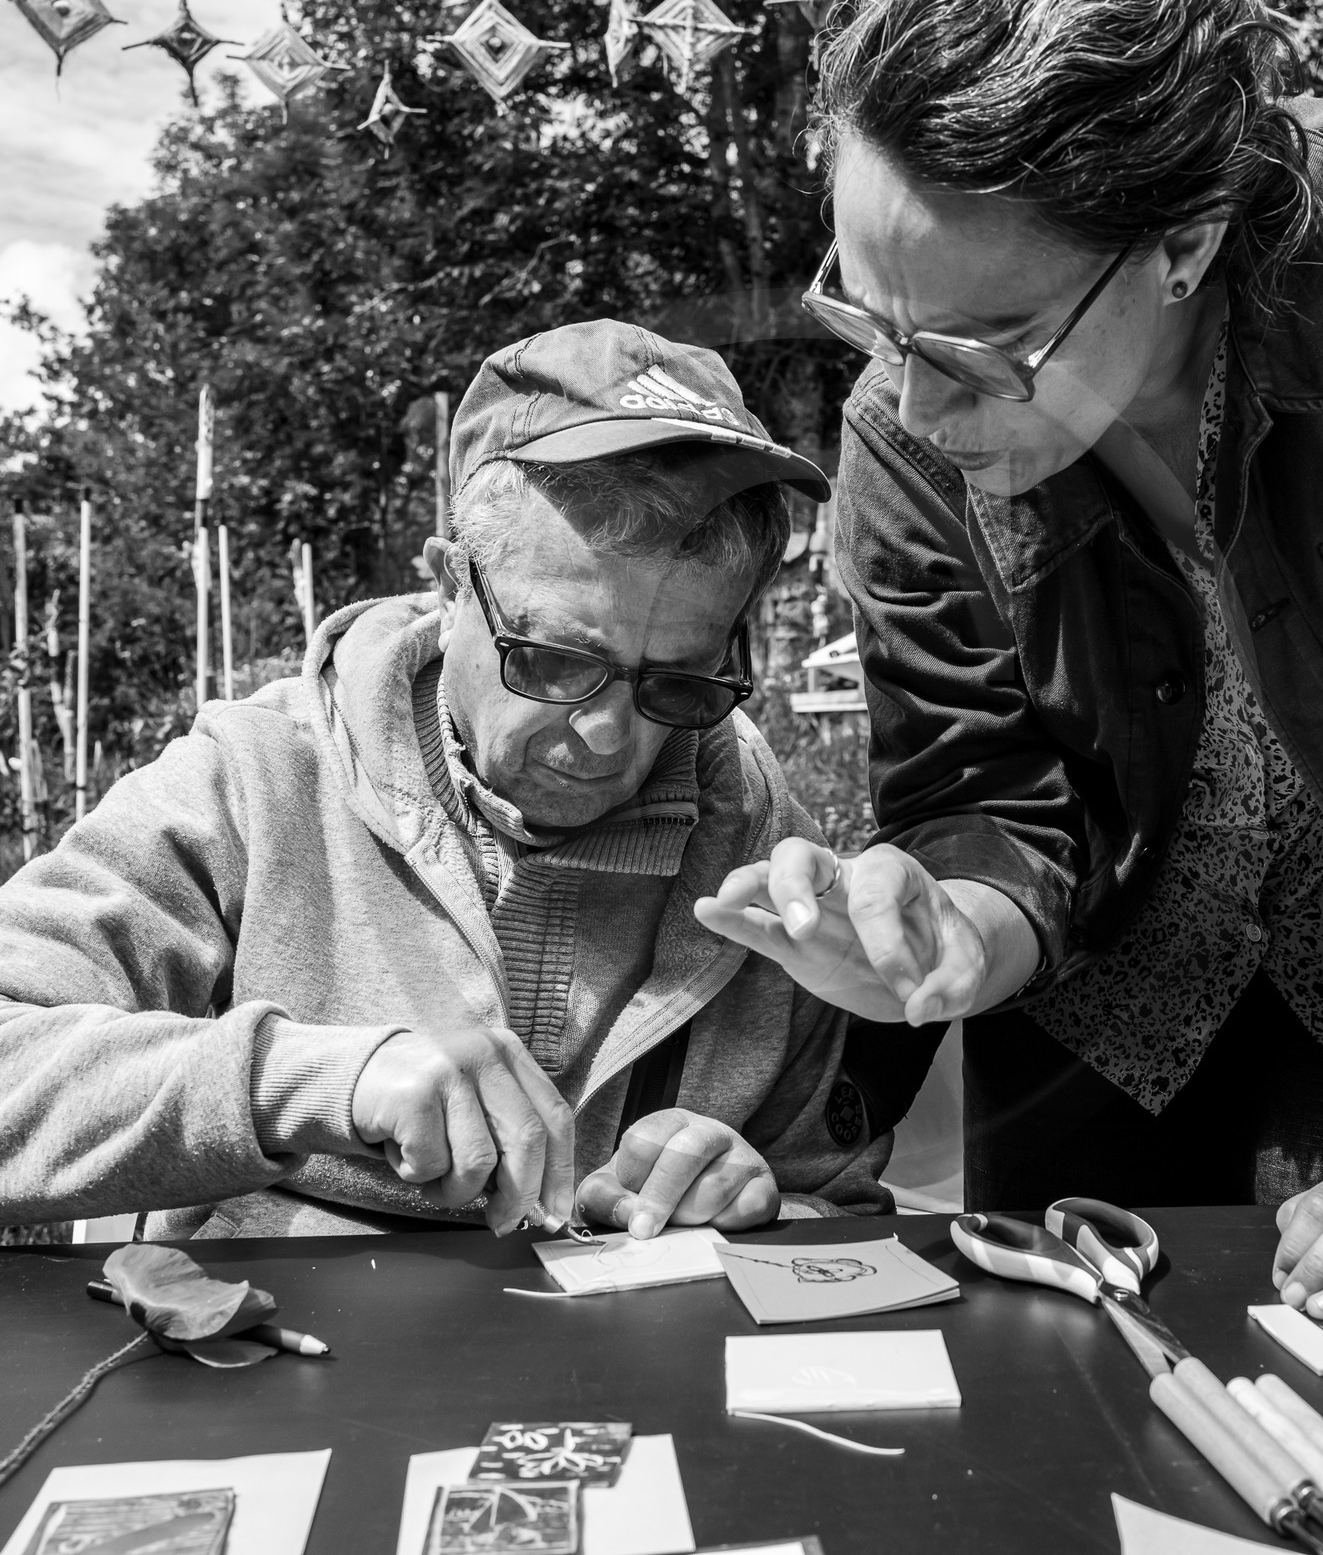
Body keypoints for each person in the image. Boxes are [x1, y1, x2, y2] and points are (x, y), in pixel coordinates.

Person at [696, 0, 1323, 1321]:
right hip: (1096, 1066)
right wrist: (953, 930)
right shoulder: (902, 418)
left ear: (1183, 242)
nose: (914, 411)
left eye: (982, 350)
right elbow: (985, 797)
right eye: (874, 326)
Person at [0, 321, 892, 1240]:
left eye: (679, 680)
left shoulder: (758, 834)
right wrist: (305, 1082)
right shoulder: (255, 778)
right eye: (551, 661)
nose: (605, 736)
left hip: (619, 1375)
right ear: (450, 584)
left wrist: (762, 1206)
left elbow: (842, 1209)